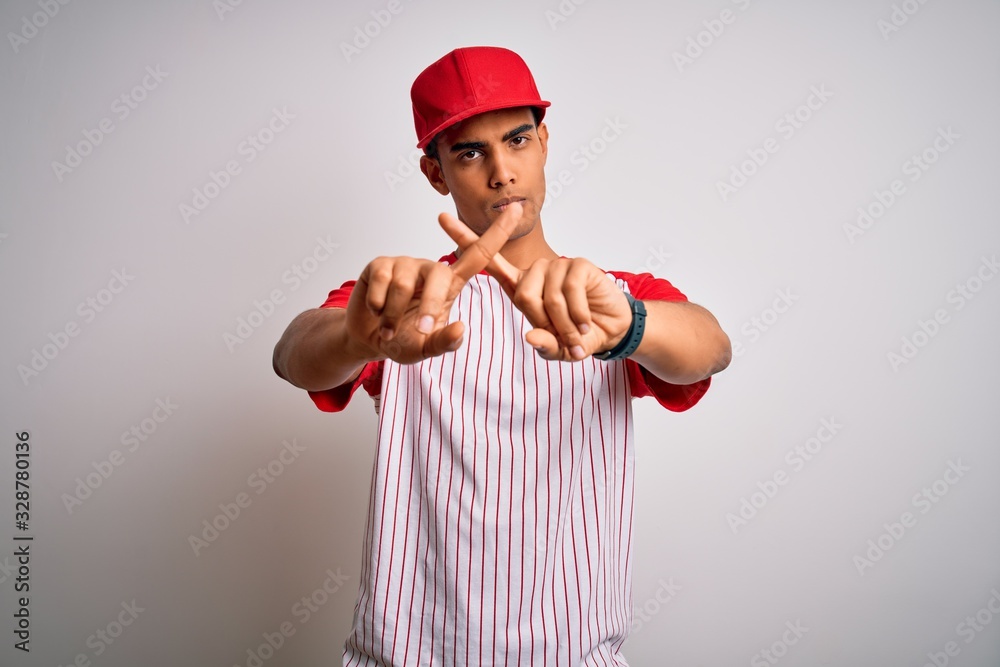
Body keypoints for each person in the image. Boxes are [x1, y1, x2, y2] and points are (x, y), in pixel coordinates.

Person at [273, 45, 731, 667]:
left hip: (574, 654)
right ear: (436, 174)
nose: (502, 172)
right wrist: (358, 339)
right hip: (403, 656)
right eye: (469, 152)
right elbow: (295, 353)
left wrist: (629, 326)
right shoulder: (402, 303)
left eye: (517, 141)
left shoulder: (610, 295)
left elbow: (710, 347)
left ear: (544, 143)